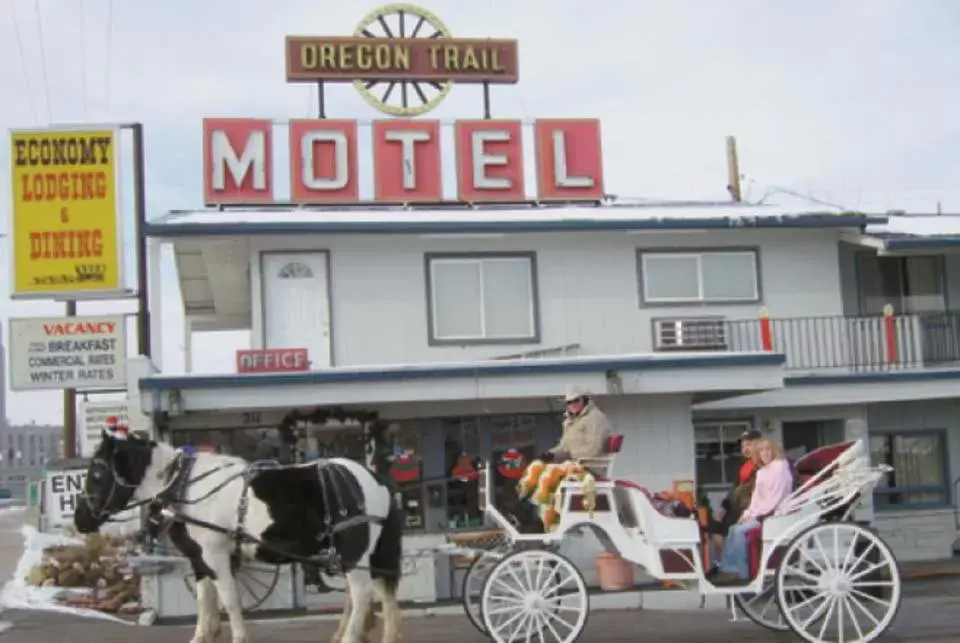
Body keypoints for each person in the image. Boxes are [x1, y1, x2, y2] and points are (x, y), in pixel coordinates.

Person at [711, 438, 794, 585]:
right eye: (761, 451)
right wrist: (746, 514)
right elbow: (757, 498)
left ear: (774, 451)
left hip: (772, 515)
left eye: (768, 449)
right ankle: (728, 569)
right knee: (734, 529)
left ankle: (739, 572)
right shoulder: (762, 472)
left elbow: (774, 500)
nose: (765, 453)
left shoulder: (780, 468)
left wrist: (753, 515)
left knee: (738, 531)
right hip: (760, 513)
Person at [708, 429, 762, 553]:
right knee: (714, 527)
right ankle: (725, 563)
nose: (745, 449)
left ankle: (732, 564)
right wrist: (723, 506)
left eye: (749, 444)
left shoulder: (761, 465)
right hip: (735, 507)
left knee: (726, 529)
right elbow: (734, 488)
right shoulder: (744, 465)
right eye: (743, 446)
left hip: (749, 510)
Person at [544, 386, 613, 467]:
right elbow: (564, 446)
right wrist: (551, 454)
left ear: (584, 400)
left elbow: (595, 449)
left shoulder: (594, 417)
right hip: (573, 465)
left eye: (576, 401)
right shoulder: (570, 422)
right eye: (569, 402)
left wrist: (570, 455)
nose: (573, 404)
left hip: (591, 467)